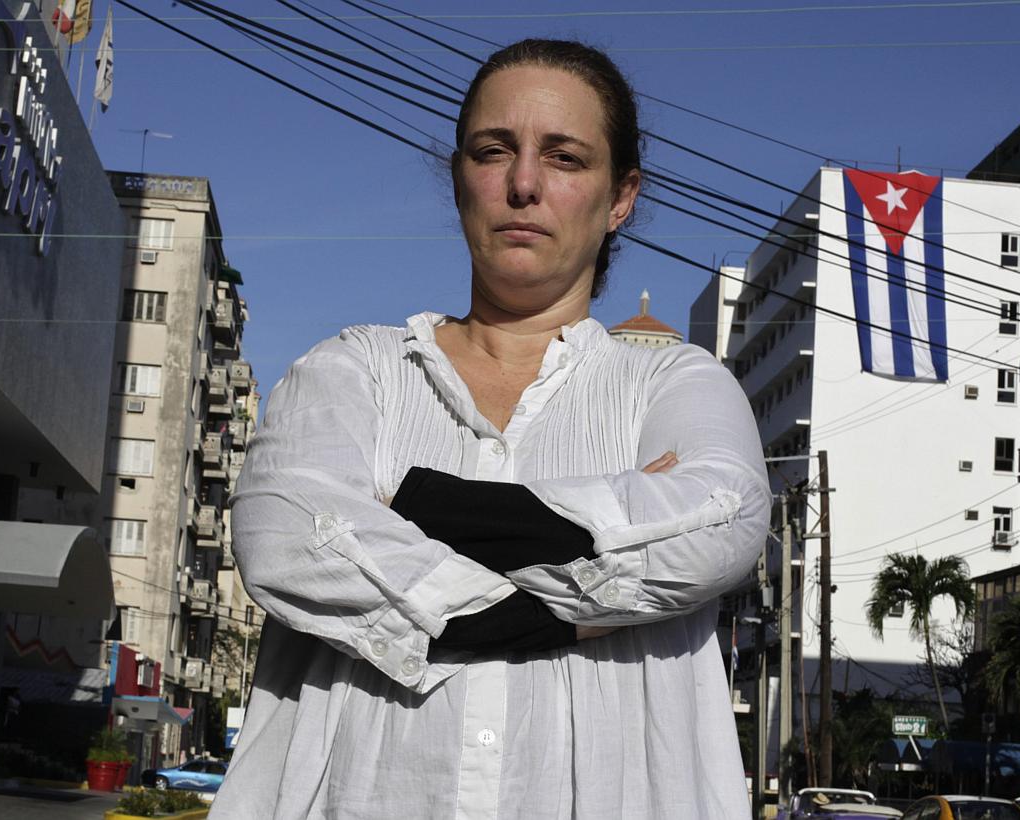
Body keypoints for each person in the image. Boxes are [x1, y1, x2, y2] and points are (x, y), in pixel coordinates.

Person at [211, 39, 770, 819]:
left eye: (566, 157)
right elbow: (284, 534)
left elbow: (723, 517)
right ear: (458, 176)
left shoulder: (675, 382)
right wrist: (578, 601)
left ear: (621, 197)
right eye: (493, 150)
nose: (524, 183)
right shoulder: (354, 369)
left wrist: (411, 510)